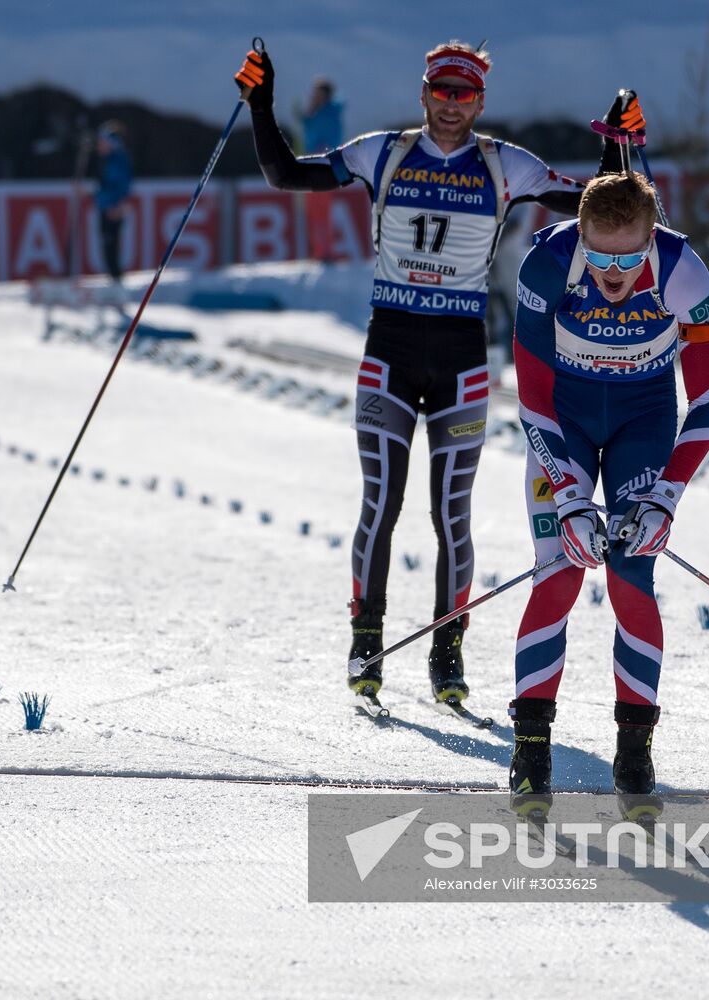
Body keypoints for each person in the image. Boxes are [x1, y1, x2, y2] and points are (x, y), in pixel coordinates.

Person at [234, 41, 636, 704]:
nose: (452, 105)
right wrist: (264, 101)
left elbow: (598, 203)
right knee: (381, 506)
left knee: (452, 516)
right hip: (388, 352)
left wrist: (618, 143)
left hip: (461, 362)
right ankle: (367, 644)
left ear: (480, 100)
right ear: (425, 94)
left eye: (464, 94)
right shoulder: (382, 153)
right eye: (441, 92)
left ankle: (446, 657)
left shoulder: (505, 164)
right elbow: (284, 174)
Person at [510, 171, 709, 818]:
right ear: (579, 234)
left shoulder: (684, 270)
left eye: (629, 258)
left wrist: (667, 496)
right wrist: (569, 494)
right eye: (600, 255)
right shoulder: (547, 263)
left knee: (631, 571)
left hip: (644, 419)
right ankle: (530, 748)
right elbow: (531, 396)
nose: (612, 272)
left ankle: (634, 756)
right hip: (564, 420)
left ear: (651, 237)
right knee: (559, 572)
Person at [297, 77, 344, 261]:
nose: (314, 96)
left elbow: (320, 138)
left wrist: (306, 118)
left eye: (318, 93)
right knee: (316, 210)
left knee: (319, 209)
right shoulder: (326, 112)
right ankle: (321, 251)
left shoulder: (326, 114)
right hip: (318, 165)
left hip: (321, 165)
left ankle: (325, 252)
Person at [95, 121, 133, 283]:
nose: (99, 146)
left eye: (102, 142)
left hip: (113, 209)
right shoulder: (108, 160)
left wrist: (116, 204)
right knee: (107, 247)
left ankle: (116, 282)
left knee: (111, 246)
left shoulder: (118, 160)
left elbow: (122, 186)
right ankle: (114, 281)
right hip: (106, 207)